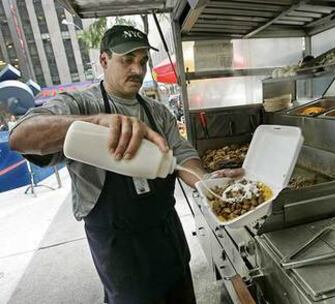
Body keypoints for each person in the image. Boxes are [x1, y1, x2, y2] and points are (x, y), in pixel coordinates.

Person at [9, 25, 242, 304]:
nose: (137, 69)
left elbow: (182, 154)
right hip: (120, 252)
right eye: (127, 60)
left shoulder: (157, 112)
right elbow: (21, 137)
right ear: (104, 60)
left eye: (143, 61)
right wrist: (93, 123)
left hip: (166, 237)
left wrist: (208, 183)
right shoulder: (80, 104)